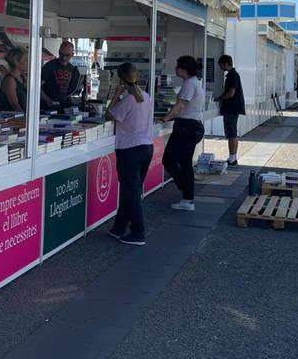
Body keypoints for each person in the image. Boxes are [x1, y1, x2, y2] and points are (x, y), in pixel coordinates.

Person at [104, 63, 154, 246]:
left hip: (129, 150)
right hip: (146, 147)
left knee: (131, 193)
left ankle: (138, 233)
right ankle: (118, 228)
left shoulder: (128, 100)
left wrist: (116, 95)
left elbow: (108, 115)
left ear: (121, 80)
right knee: (130, 191)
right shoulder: (147, 97)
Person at [159, 56, 205, 211]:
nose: (175, 69)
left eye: (177, 66)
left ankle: (185, 187)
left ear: (184, 68)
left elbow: (180, 106)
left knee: (168, 159)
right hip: (193, 127)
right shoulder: (195, 83)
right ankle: (187, 199)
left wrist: (165, 118)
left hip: (186, 127)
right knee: (185, 163)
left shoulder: (190, 84)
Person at [214, 55, 246, 166]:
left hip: (231, 108)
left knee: (231, 134)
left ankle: (232, 158)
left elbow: (231, 93)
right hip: (234, 108)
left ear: (227, 63)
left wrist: (220, 98)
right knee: (233, 134)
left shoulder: (233, 76)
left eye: (221, 65)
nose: (221, 68)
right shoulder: (233, 75)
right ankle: (233, 157)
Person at [41, 41, 81, 107]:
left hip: (64, 105)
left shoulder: (72, 69)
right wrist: (48, 100)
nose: (64, 58)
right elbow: (37, 87)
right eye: (62, 54)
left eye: (67, 55)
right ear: (59, 52)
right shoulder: (49, 66)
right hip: (48, 107)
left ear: (72, 54)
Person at [0, 47, 27, 112]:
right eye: (25, 60)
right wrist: (25, 119)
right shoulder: (10, 80)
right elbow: (14, 104)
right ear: (16, 61)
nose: (27, 63)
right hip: (11, 120)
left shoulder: (23, 77)